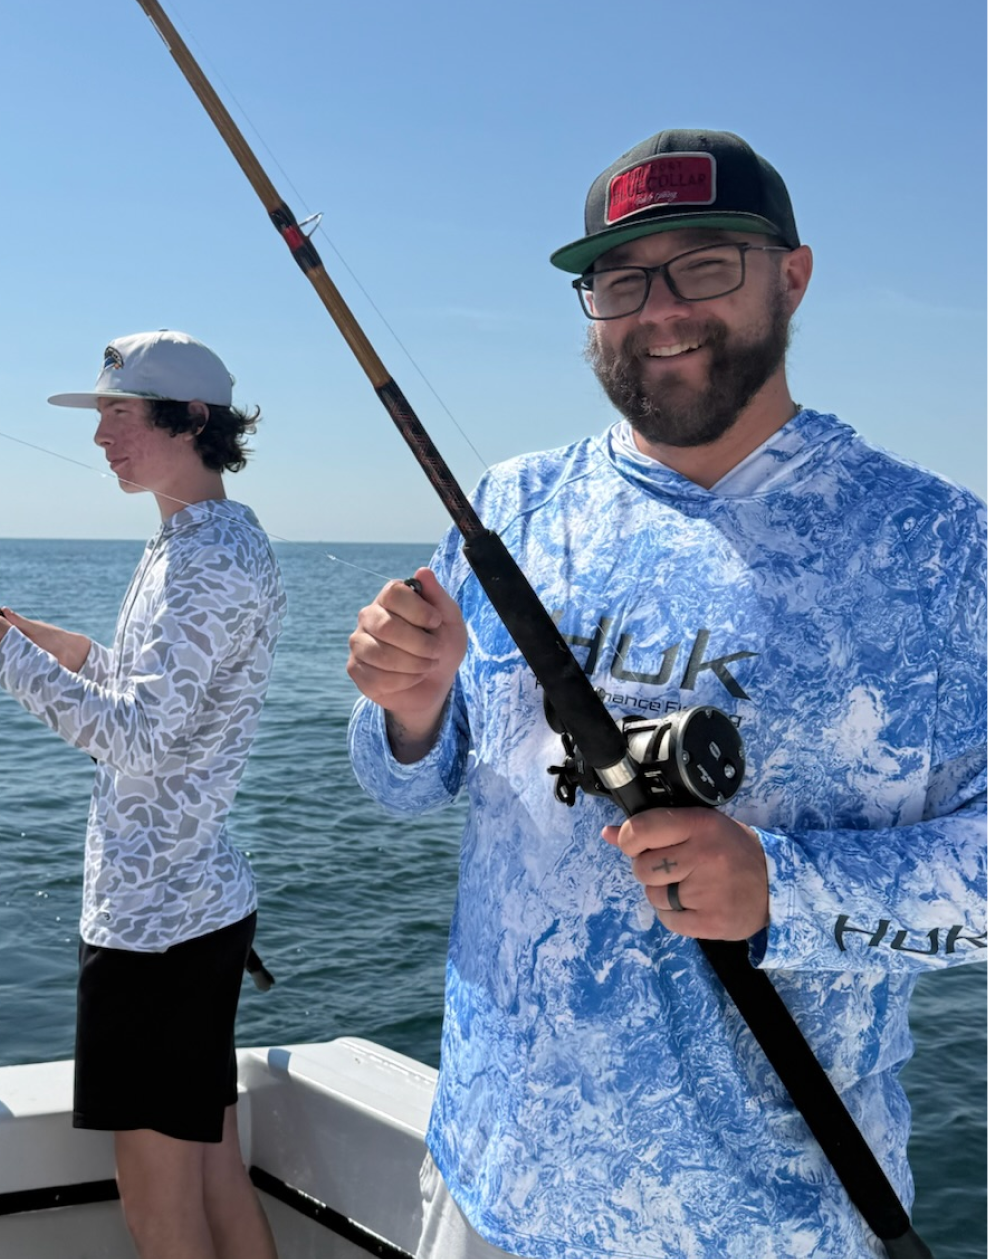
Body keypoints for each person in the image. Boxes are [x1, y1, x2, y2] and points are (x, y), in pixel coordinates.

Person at [346, 130, 988, 1260]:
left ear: (792, 275)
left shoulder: (938, 549)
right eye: (621, 278)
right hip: (489, 1185)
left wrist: (781, 887)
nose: (659, 308)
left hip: (765, 1225)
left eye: (705, 265)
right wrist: (411, 706)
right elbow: (403, 789)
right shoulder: (516, 503)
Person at [0, 329, 284, 1260]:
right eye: (98, 414)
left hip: (155, 927)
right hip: (195, 907)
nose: (101, 434)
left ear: (191, 419)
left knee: (158, 1206)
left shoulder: (204, 559)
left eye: (119, 413)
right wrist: (14, 628)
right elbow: (137, 687)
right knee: (215, 1173)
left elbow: (138, 738)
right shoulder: (206, 538)